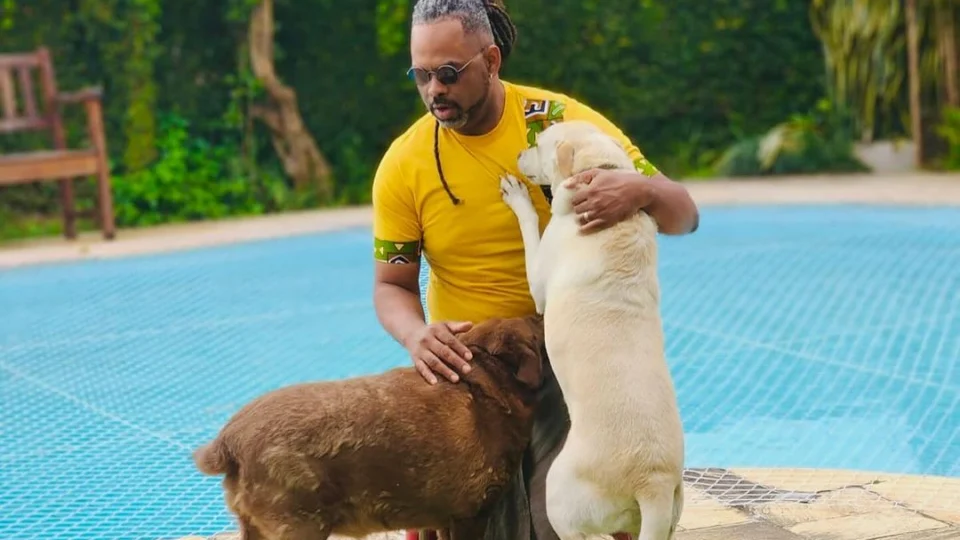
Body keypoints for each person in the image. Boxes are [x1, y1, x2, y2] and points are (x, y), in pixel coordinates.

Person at [370, 1, 699, 539]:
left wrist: (640, 189)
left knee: (569, 515)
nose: (434, 90)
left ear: (491, 60)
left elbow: (683, 214)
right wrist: (416, 336)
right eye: (421, 75)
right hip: (471, 365)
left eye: (448, 73)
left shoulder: (560, 126)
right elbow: (392, 285)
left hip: (564, 356)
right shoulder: (404, 165)